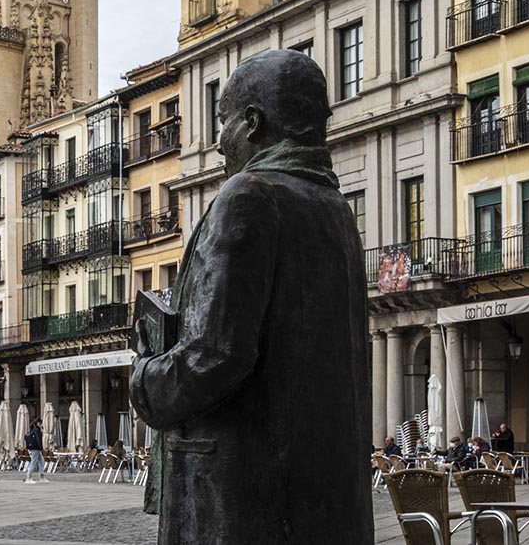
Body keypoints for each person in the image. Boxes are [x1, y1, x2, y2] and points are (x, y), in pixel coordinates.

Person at [131, 50, 372, 544]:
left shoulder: (249, 196)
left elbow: (215, 354)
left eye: (224, 122)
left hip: (243, 502)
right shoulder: (335, 210)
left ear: (253, 122)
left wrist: (144, 378)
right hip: (321, 503)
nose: (219, 142)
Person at [23, 418, 47, 484]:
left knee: (41, 461)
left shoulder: (32, 429)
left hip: (34, 448)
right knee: (34, 462)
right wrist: (41, 448)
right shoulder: (37, 430)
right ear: (38, 423)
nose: (41, 424)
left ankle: (41, 476)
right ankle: (29, 477)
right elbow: (38, 440)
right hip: (36, 448)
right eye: (40, 423)